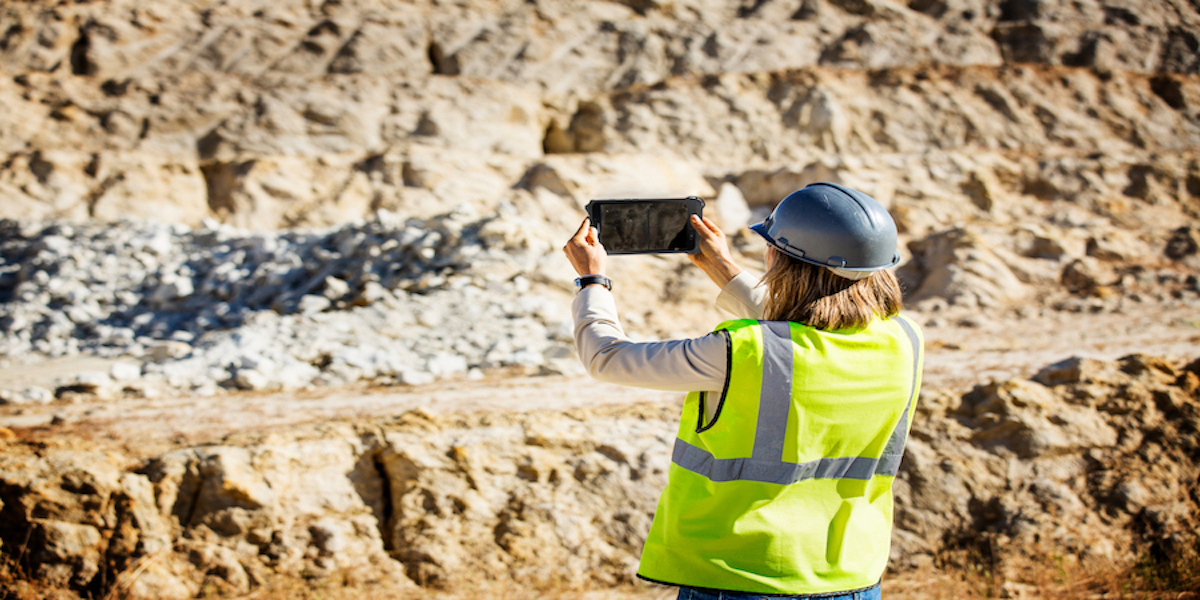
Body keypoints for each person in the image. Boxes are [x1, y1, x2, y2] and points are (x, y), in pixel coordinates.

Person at [562, 182, 924, 600]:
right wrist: (721, 268)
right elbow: (811, 324)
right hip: (851, 577)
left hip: (741, 576)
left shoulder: (746, 351)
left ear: (779, 259)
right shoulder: (905, 340)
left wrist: (592, 281)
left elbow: (607, 357)